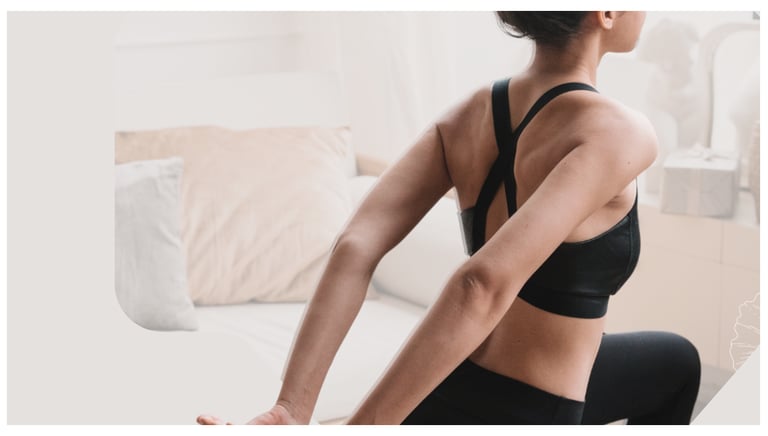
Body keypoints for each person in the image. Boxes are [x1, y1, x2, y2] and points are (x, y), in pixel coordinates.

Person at [197, 11, 702, 425]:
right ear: (605, 12)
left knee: (675, 361)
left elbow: (356, 245)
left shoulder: (468, 113)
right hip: (534, 412)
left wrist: (292, 406)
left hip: (441, 394)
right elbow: (479, 284)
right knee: (679, 366)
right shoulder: (619, 132)